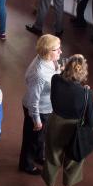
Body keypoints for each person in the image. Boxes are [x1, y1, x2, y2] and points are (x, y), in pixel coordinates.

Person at [43, 55, 93, 186]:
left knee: (52, 157)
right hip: (75, 129)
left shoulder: (56, 80)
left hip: (56, 123)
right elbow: (92, 122)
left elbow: (61, 78)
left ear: (66, 68)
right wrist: (85, 89)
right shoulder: (87, 94)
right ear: (84, 74)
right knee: (74, 162)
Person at [20, 34, 62, 175]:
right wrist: (36, 119)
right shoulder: (39, 74)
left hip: (47, 107)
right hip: (38, 110)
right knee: (31, 139)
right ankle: (26, 164)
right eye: (57, 49)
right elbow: (33, 100)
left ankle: (39, 156)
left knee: (40, 136)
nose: (60, 52)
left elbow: (54, 74)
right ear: (47, 52)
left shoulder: (48, 60)